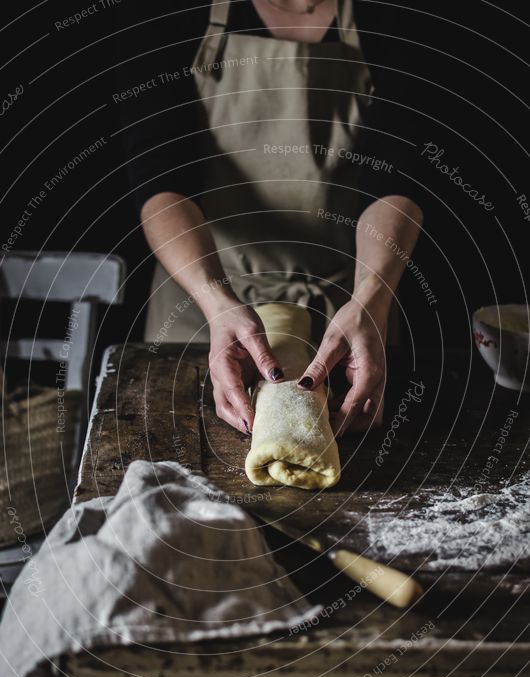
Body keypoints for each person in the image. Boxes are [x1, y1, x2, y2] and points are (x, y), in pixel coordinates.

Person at [117, 0, 424, 436]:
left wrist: (372, 301)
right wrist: (216, 301)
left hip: (345, 311)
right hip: (204, 303)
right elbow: (160, 179)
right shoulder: (171, 13)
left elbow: (395, 175)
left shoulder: (394, 17)